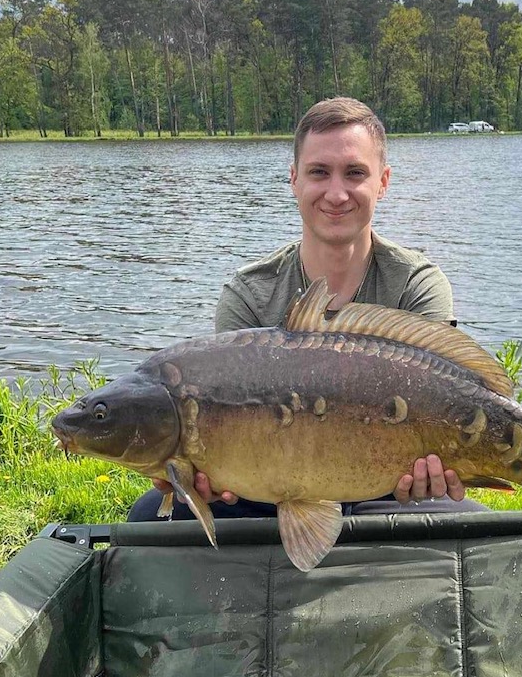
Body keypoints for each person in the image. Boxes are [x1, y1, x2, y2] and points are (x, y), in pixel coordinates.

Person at [128, 96, 477, 523]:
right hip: (267, 492)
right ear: (294, 179)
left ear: (383, 182)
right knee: (149, 517)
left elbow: (450, 393)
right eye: (319, 172)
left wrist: (438, 471)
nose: (337, 193)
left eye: (355, 173)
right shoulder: (249, 293)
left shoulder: (417, 284)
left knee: (472, 525)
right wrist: (207, 475)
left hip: (390, 488)